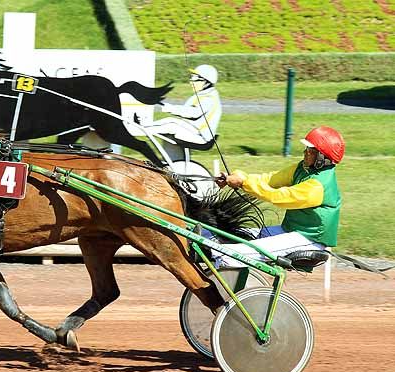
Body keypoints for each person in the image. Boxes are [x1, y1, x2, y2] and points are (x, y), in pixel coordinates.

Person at [212, 126, 345, 268]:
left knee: (228, 253)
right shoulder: (303, 168)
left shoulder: (317, 186)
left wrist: (243, 183)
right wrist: (239, 176)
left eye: (310, 151)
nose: (305, 153)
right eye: (306, 149)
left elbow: (277, 197)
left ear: (321, 159)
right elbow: (270, 179)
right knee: (231, 236)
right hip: (290, 230)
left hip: (309, 240)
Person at [142, 64, 222, 162]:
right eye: (191, 78)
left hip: (201, 137)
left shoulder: (209, 98)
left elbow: (193, 113)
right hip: (193, 132)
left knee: (172, 124)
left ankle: (140, 129)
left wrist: (168, 107)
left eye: (195, 79)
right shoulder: (201, 95)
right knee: (169, 133)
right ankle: (170, 162)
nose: (191, 82)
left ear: (206, 82)